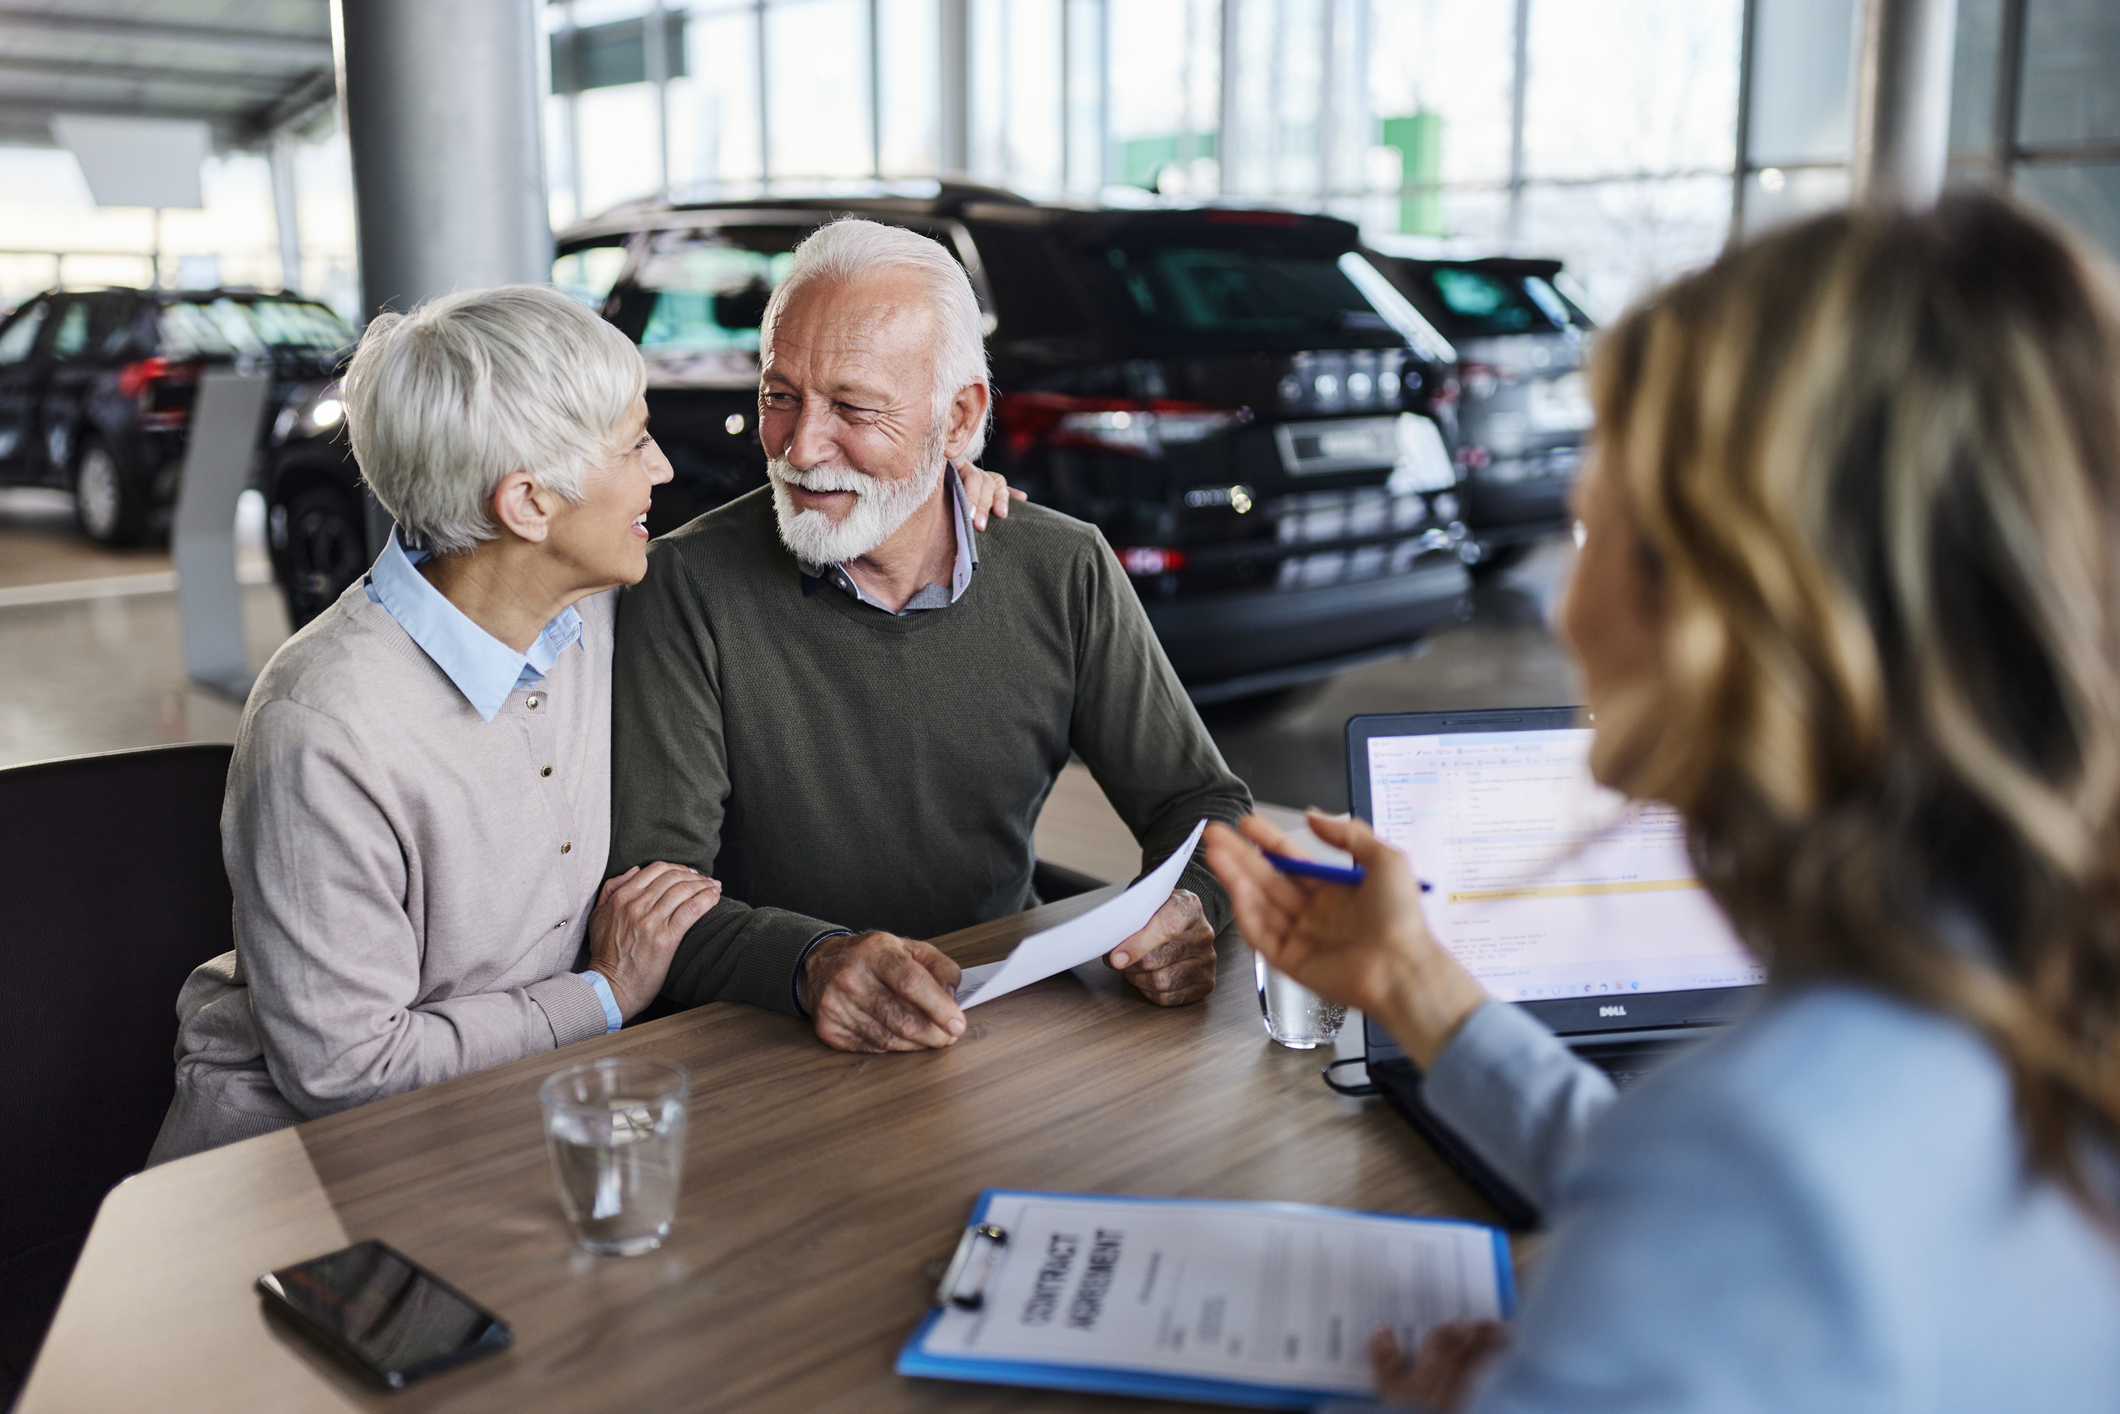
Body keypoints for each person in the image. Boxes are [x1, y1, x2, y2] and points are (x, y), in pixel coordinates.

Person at [1208, 193, 2120, 1412]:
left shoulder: (1750, 1171)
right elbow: (1701, 1201)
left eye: (1595, 531)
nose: (1557, 609)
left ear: (1735, 606)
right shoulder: (2030, 987)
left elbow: (1733, 1202)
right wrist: (1411, 984)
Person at [149, 285, 1023, 1163]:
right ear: (528, 505)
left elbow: (782, 541)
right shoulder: (326, 728)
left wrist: (930, 490)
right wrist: (604, 993)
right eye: (635, 443)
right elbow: (347, 1075)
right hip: (306, 1176)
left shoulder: (600, 603)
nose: (663, 470)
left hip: (532, 1120)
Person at [610, 217, 1252, 1052]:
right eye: (779, 396)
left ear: (957, 420)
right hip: (771, 1053)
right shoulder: (685, 585)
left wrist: (1189, 904)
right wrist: (809, 964)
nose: (801, 447)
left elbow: (1203, 804)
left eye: (853, 407)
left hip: (1005, 1031)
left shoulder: (1063, 568)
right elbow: (656, 900)